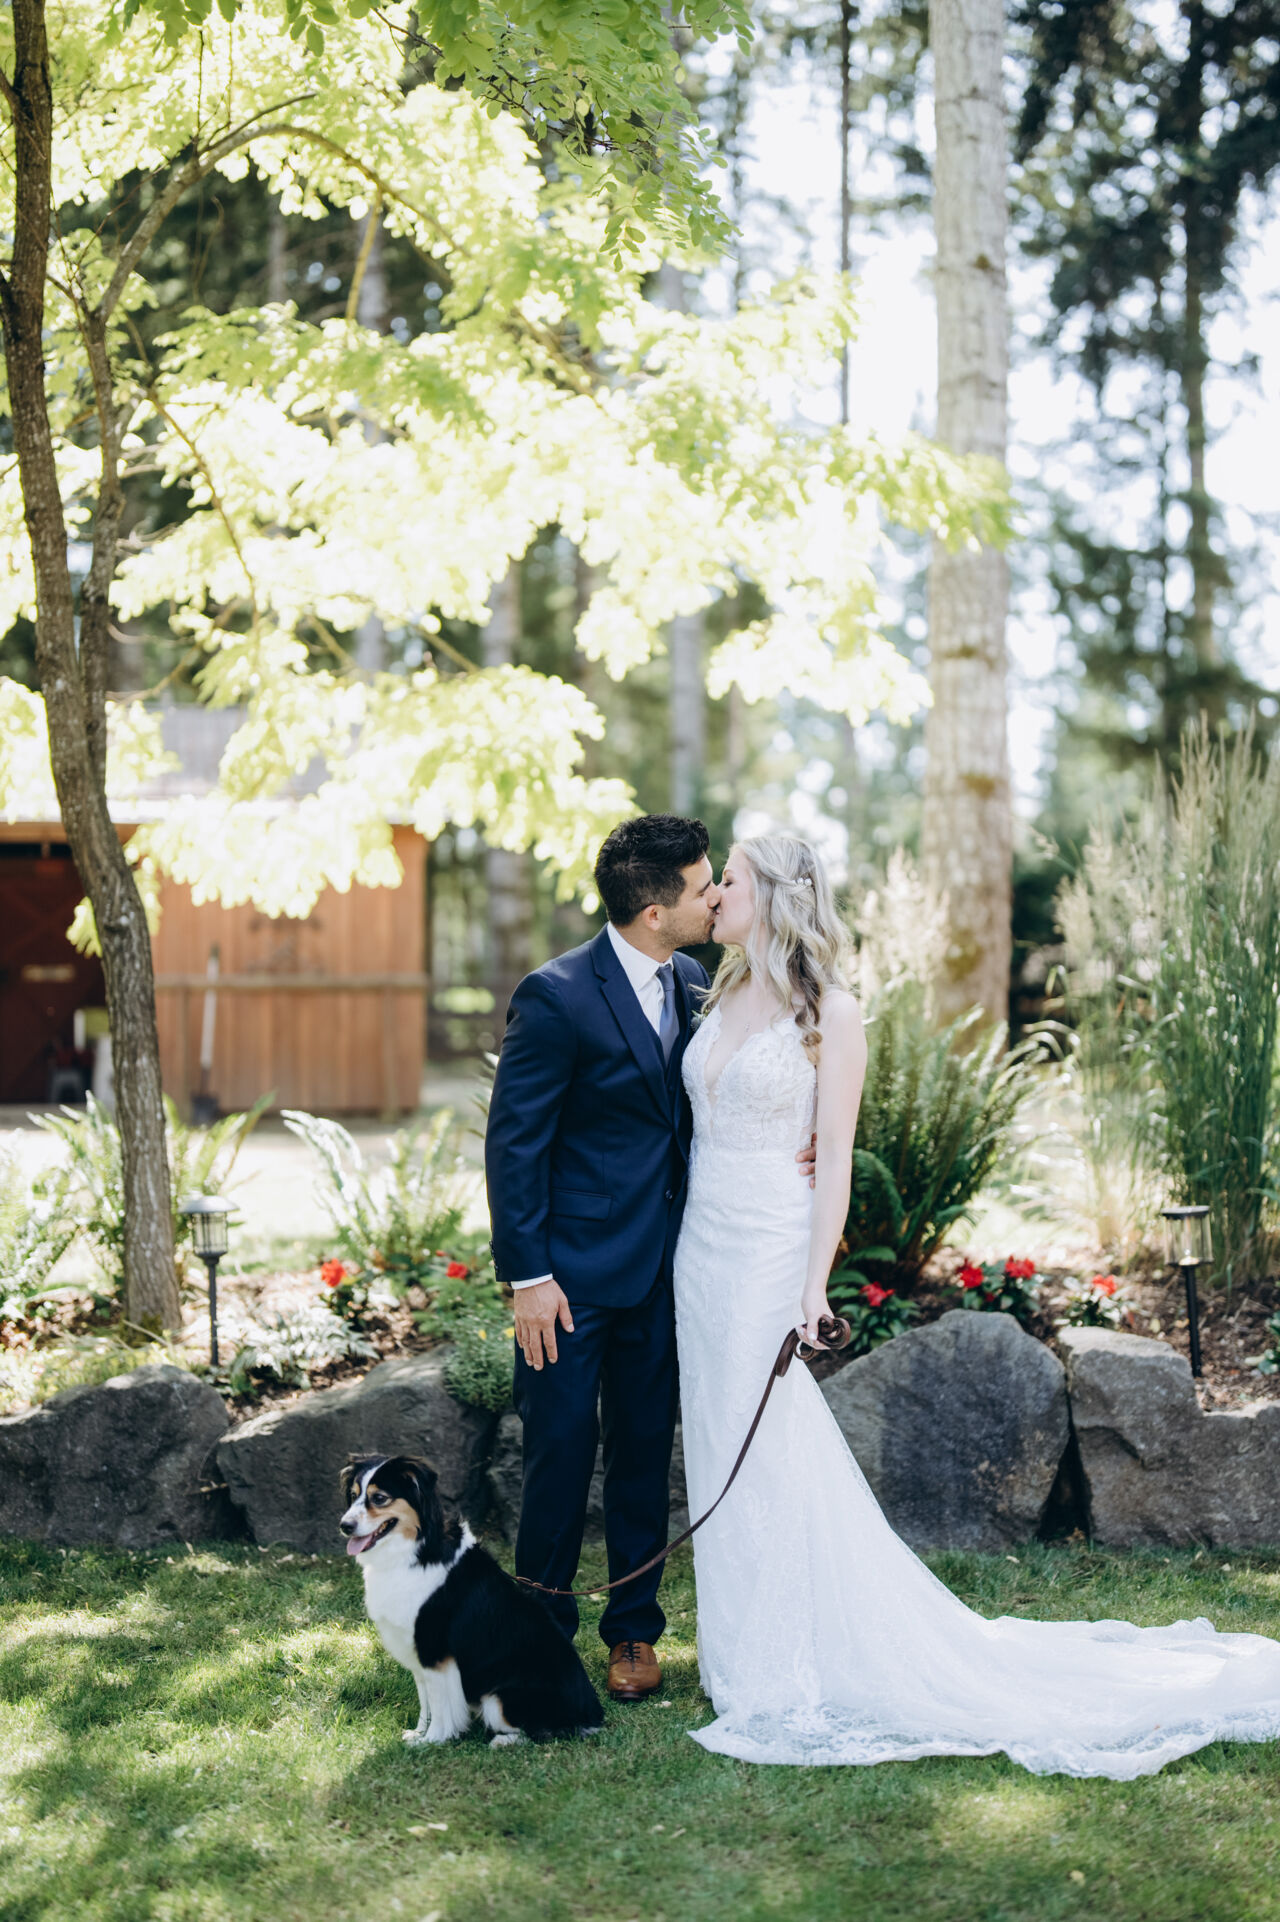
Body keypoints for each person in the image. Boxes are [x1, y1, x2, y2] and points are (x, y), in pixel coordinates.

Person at [674, 829, 1280, 1777]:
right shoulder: (716, 993)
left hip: (768, 1251)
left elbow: (834, 1161)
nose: (715, 896)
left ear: (780, 894)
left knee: (773, 1445)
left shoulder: (832, 1012)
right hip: (699, 1250)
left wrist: (812, 1284)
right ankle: (738, 1649)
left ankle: (784, 1656)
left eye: (733, 881)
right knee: (718, 1436)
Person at [486, 814, 817, 1704]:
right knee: (558, 1455)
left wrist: (809, 1132)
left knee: (641, 1455)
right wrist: (528, 1278)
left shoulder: (696, 980)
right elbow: (514, 1144)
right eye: (703, 887)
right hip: (564, 1283)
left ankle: (633, 1632)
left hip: (670, 1269)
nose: (716, 898)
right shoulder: (555, 995)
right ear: (653, 911)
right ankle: (540, 1637)